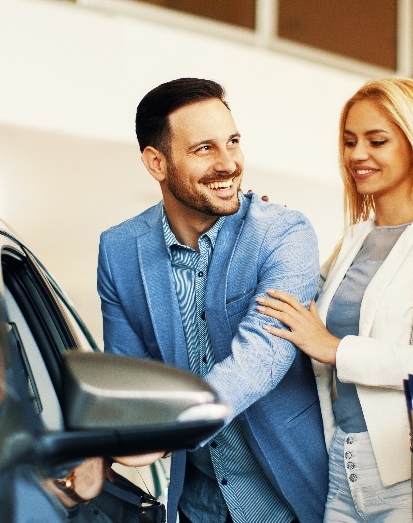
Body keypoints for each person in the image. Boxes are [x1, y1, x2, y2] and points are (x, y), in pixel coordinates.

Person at [255, 77, 413, 521]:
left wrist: (336, 348)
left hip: (410, 475)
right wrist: (264, 236)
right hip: (339, 472)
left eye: (376, 140)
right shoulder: (353, 241)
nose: (357, 155)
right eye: (350, 141)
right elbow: (297, 326)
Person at [97, 77, 328, 523]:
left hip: (291, 500)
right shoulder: (119, 251)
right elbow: (127, 381)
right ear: (156, 162)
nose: (229, 164)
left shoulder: (284, 234)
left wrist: (171, 429)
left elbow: (261, 356)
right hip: (195, 508)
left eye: (233, 143)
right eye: (204, 149)